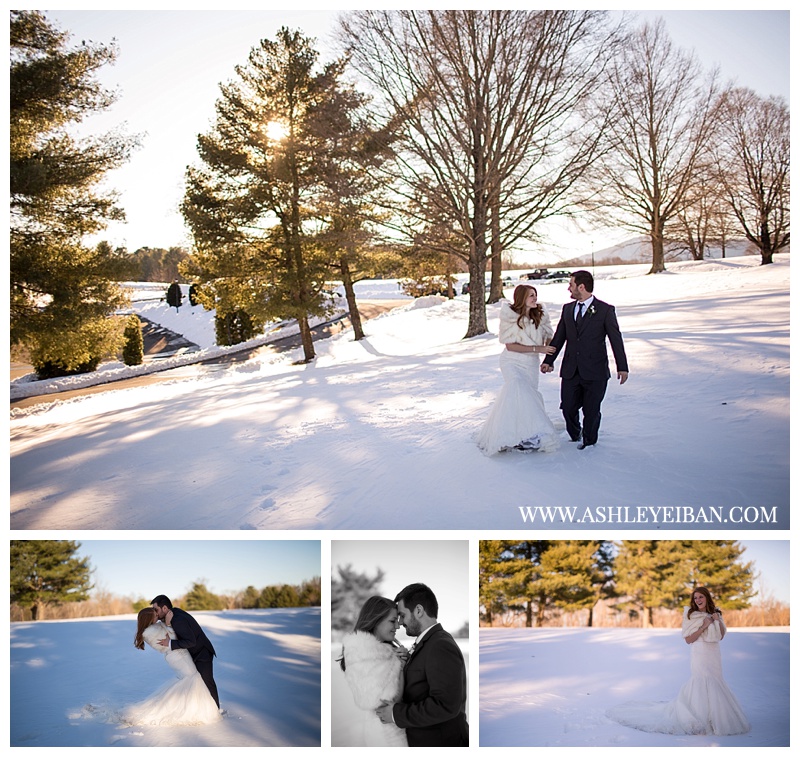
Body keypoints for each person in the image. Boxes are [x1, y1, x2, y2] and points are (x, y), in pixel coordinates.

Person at [607, 587, 750, 736]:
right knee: (701, 681)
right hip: (700, 653)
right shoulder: (691, 615)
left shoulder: (716, 613)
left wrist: (717, 620)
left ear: (707, 597)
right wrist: (704, 625)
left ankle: (716, 719)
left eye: (701, 597)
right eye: (695, 598)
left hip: (714, 654)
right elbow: (688, 640)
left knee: (715, 680)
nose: (698, 600)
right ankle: (699, 717)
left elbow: (721, 635)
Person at [541, 270, 628, 449]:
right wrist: (548, 361)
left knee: (591, 410)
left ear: (581, 286)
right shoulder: (568, 309)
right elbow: (559, 337)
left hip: (595, 371)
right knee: (568, 408)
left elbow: (615, 339)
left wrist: (622, 367)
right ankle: (575, 434)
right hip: (571, 369)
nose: (568, 288)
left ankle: (589, 442)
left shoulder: (605, 310)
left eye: (571, 284)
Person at [376, 583, 468, 747]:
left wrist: (396, 714)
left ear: (418, 611)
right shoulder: (429, 643)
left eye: (403, 615)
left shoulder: (440, 645)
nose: (401, 623)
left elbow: (445, 705)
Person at [476, 284, 558, 455]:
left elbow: (549, 338)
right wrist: (538, 349)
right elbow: (510, 346)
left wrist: (548, 359)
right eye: (530, 296)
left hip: (531, 365)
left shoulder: (541, 315)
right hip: (512, 362)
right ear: (521, 298)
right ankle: (523, 434)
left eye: (535, 295)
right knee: (517, 387)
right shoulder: (510, 316)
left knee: (525, 398)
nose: (535, 298)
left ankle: (524, 434)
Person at [121, 607, 221, 726]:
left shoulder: (153, 628)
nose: (158, 617)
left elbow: (171, 640)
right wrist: (168, 624)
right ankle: (190, 709)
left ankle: (190, 706)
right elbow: (172, 641)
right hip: (178, 657)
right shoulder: (150, 633)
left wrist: (167, 628)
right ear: (149, 619)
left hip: (179, 655)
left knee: (189, 680)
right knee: (193, 678)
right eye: (155, 616)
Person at [338, 596, 409, 747]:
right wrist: (402, 665)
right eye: (392, 621)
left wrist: (403, 660)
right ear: (375, 620)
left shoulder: (384, 652)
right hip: (388, 736)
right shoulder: (362, 653)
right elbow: (387, 701)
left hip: (389, 729)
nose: (397, 626)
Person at [151, 595, 220, 709]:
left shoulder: (178, 619)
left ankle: (215, 710)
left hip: (202, 653)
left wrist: (170, 644)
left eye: (156, 609)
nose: (155, 613)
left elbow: (191, 641)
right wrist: (167, 624)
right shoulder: (173, 614)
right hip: (194, 653)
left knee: (207, 682)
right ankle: (203, 708)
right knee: (198, 683)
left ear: (164, 608)